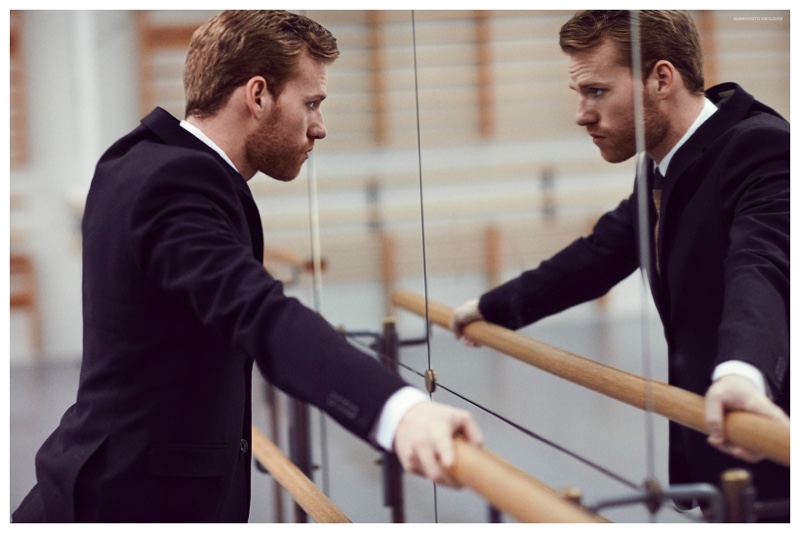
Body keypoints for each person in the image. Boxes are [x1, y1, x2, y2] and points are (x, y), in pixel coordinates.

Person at [13, 10, 483, 523]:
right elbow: (257, 311)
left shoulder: (136, 158)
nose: (319, 127)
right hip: (133, 500)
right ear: (257, 95)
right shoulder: (177, 183)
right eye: (312, 103)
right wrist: (398, 413)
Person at [451, 10, 788, 519]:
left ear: (661, 79)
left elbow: (761, 267)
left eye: (597, 91)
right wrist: (491, 307)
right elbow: (602, 253)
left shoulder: (763, 147)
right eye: (579, 94)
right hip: (718, 434)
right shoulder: (663, 160)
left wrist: (742, 373)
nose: (581, 114)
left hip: (766, 431)